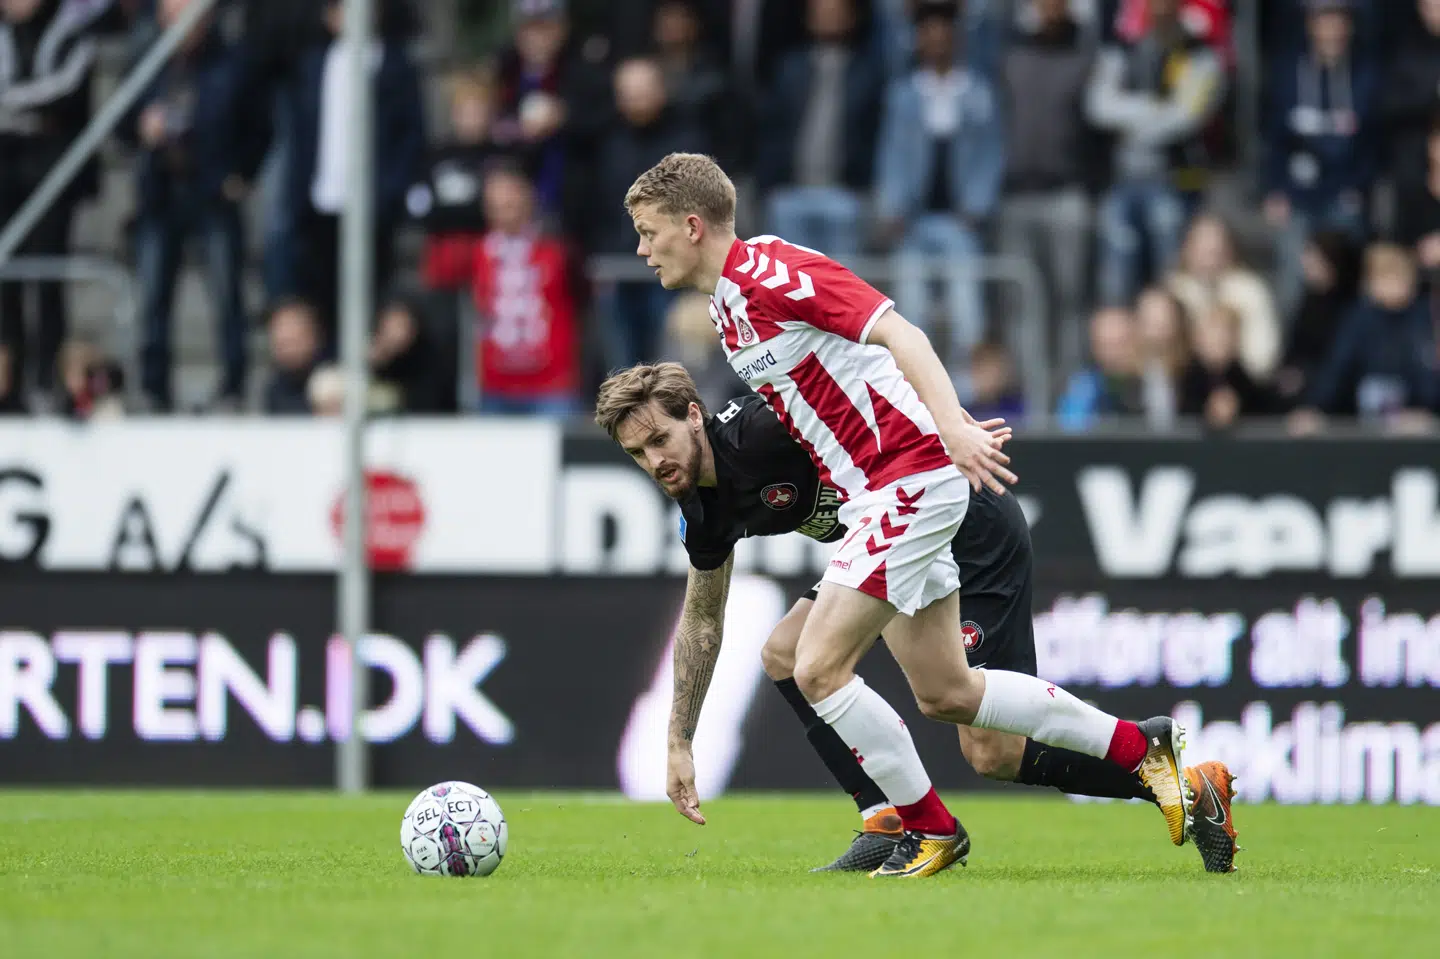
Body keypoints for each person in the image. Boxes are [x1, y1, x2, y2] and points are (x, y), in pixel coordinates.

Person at [619, 152, 1192, 878]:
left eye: (648, 231)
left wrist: (949, 424)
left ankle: (928, 828)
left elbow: (900, 332)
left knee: (816, 664)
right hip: (876, 497)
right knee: (949, 692)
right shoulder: (728, 313)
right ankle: (1144, 751)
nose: (641, 249)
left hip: (910, 477)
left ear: (692, 226)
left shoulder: (770, 273)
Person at [596, 363, 1241, 874]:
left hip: (964, 527)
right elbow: (703, 620)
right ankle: (886, 820)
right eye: (637, 453)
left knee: (988, 746)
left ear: (695, 416)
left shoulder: (764, 428)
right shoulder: (700, 510)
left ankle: (1171, 774)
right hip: (884, 541)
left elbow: (867, 374)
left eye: (660, 438)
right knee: (787, 654)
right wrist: (680, 737)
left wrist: (950, 424)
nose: (656, 461)